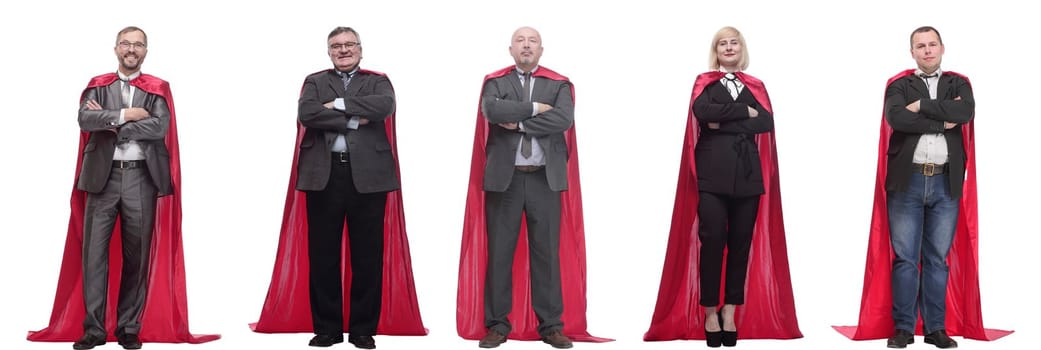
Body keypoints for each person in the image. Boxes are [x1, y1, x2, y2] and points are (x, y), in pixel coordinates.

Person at [27, 26, 218, 349]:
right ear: (116, 48)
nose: (132, 49)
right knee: (94, 256)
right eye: (126, 44)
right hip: (102, 178)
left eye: (138, 45)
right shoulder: (97, 86)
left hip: (141, 179)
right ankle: (94, 330)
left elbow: (160, 127)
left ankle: (129, 327)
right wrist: (127, 115)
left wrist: (111, 123)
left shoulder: (158, 88)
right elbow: (85, 120)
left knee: (137, 256)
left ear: (146, 51)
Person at [250, 26, 427, 349]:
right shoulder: (315, 81)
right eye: (336, 46)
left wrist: (337, 105)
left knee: (368, 256)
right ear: (328, 52)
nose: (343, 50)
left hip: (369, 178)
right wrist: (353, 117)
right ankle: (328, 329)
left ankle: (362, 330)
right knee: (323, 255)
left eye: (349, 45)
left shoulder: (378, 80)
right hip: (323, 176)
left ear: (360, 48)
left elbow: (383, 107)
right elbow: (307, 113)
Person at [835, 26, 1011, 347]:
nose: (927, 50)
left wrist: (921, 106)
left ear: (942, 48)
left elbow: (965, 111)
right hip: (907, 182)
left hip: (946, 182)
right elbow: (897, 119)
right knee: (904, 258)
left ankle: (935, 329)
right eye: (920, 46)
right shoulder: (900, 85)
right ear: (912, 52)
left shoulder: (959, 83)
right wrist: (942, 119)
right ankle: (903, 327)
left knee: (936, 259)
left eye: (932, 45)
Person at [644, 26, 802, 348]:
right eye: (722, 44)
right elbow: (702, 113)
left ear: (741, 49)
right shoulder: (705, 83)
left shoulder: (755, 85)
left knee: (741, 243)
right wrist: (745, 112)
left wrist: (726, 120)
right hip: (711, 175)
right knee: (712, 240)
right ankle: (709, 311)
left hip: (747, 176)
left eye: (734, 43)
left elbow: (766, 122)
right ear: (715, 51)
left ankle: (730, 310)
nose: (728, 48)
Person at [456, 26, 606, 349]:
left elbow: (563, 119)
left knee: (547, 255)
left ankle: (551, 326)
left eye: (532, 41)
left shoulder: (558, 84)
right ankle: (497, 325)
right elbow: (493, 111)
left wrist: (520, 121)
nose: (526, 46)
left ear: (541, 49)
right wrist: (538, 109)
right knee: (499, 254)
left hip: (544, 178)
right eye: (520, 41)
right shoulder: (495, 82)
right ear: (510, 49)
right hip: (504, 180)